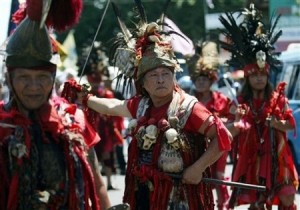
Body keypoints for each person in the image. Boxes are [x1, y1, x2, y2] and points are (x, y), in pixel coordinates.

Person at [74, 2, 233, 209]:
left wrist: (197, 168)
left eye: (166, 74)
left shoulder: (188, 107)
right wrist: (85, 99)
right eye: (154, 75)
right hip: (145, 192)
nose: (160, 80)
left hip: (179, 197)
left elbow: (223, 138)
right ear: (143, 83)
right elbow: (113, 106)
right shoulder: (142, 105)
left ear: (174, 76)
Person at [0, 1, 111, 209]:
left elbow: (97, 185)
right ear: (9, 78)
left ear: (52, 78)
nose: (34, 86)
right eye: (24, 77)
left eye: (41, 77)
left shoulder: (74, 121)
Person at [219, 4, 298, 209]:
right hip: (251, 158)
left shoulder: (278, 98)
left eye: (263, 74)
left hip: (278, 158)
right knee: (257, 204)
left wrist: (277, 124)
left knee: (288, 198)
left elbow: (290, 124)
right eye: (255, 75)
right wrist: (237, 121)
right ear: (248, 77)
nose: (260, 79)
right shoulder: (239, 102)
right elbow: (228, 130)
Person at [186, 41, 232, 210]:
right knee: (200, 177)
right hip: (196, 144)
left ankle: (222, 206)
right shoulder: (189, 100)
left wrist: (228, 122)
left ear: (211, 80)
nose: (201, 83)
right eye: (198, 79)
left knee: (218, 176)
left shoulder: (222, 99)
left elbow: (234, 121)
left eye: (204, 79)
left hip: (218, 143)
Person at [77, 42, 126, 189]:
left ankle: (108, 183)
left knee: (108, 154)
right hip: (93, 123)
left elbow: (112, 107)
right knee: (92, 155)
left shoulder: (107, 91)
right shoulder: (88, 85)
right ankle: (95, 185)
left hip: (106, 125)